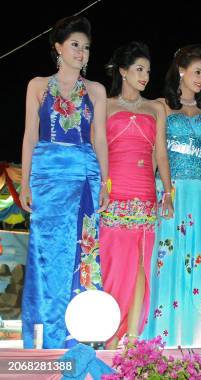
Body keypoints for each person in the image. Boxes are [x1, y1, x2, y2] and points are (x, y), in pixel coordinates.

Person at [21, 16, 109, 349]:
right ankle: (45, 334)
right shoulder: (38, 85)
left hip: (84, 174)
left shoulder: (96, 90)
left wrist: (106, 183)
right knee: (45, 253)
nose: (81, 52)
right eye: (75, 45)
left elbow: (99, 138)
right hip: (45, 175)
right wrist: (26, 182)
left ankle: (80, 336)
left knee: (83, 251)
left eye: (86, 47)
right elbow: (30, 135)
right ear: (58, 47)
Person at [143, 45, 201, 346]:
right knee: (170, 256)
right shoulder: (160, 106)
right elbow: (155, 151)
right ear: (181, 70)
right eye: (197, 72)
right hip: (172, 189)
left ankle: (200, 333)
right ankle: (166, 333)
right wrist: (151, 190)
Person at [99, 42, 173, 348]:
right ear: (123, 72)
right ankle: (110, 335)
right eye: (138, 69)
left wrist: (167, 192)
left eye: (148, 71)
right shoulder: (105, 105)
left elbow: (162, 155)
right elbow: (98, 150)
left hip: (144, 192)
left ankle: (132, 337)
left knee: (142, 264)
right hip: (114, 194)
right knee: (116, 265)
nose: (144, 76)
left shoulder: (156, 108)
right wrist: (101, 186)